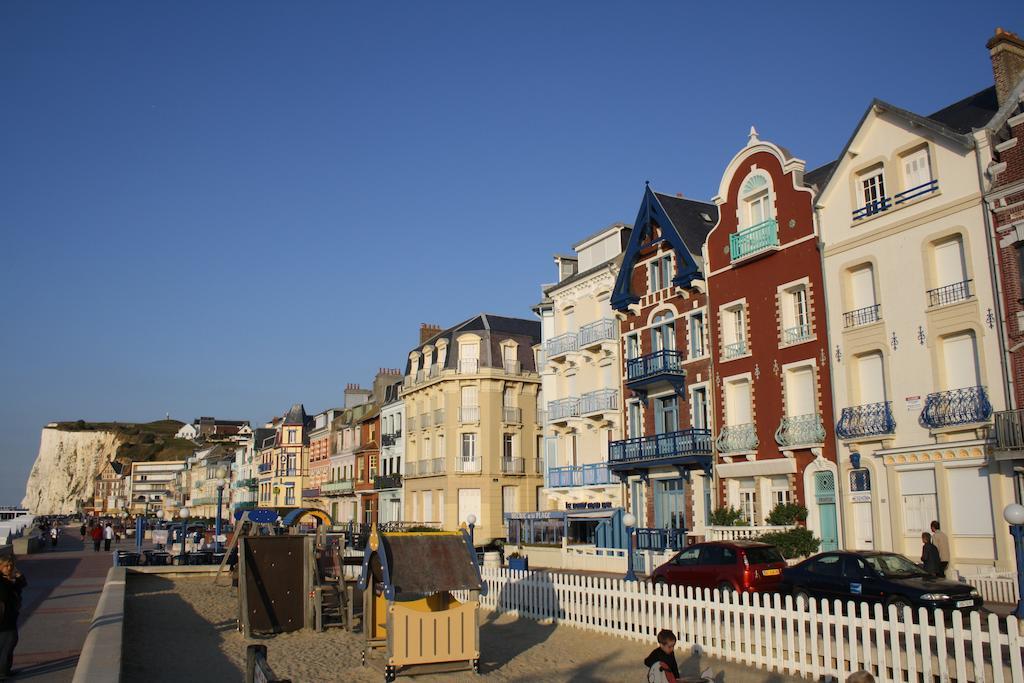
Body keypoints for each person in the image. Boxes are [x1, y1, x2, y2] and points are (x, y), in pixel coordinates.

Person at [0, 555, 27, 680]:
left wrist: (17, 575)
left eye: (11, 565)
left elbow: (23, 584)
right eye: (6, 566)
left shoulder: (9, 579)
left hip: (9, 616)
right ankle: (3, 671)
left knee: (8, 643)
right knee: (10, 641)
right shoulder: (3, 582)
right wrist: (12, 581)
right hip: (3, 618)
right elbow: (6, 595)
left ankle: (6, 669)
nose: (9, 568)